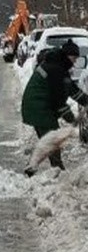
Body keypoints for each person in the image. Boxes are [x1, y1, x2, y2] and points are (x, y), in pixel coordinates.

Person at [21, 39, 88, 175]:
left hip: (40, 106)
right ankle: (54, 170)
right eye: (74, 57)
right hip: (38, 107)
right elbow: (58, 99)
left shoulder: (58, 66)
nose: (75, 61)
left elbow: (70, 88)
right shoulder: (55, 69)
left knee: (49, 140)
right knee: (53, 139)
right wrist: (70, 118)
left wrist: (86, 100)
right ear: (67, 55)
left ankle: (38, 168)